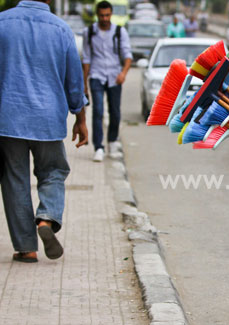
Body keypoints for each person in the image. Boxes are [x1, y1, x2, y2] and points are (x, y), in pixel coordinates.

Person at [0, 0, 88, 263]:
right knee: (53, 171)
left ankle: (26, 248)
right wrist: (80, 119)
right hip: (48, 120)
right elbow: (74, 83)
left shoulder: (2, 23)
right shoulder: (61, 30)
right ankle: (46, 219)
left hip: (8, 117)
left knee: (15, 180)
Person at [82, 0, 132, 162]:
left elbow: (127, 56)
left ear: (111, 15)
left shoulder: (119, 32)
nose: (104, 18)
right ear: (97, 15)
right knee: (98, 111)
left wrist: (123, 73)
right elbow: (87, 59)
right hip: (96, 75)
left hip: (114, 76)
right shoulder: (89, 32)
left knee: (115, 112)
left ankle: (111, 142)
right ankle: (98, 147)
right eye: (102, 15)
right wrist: (84, 84)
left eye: (107, 15)